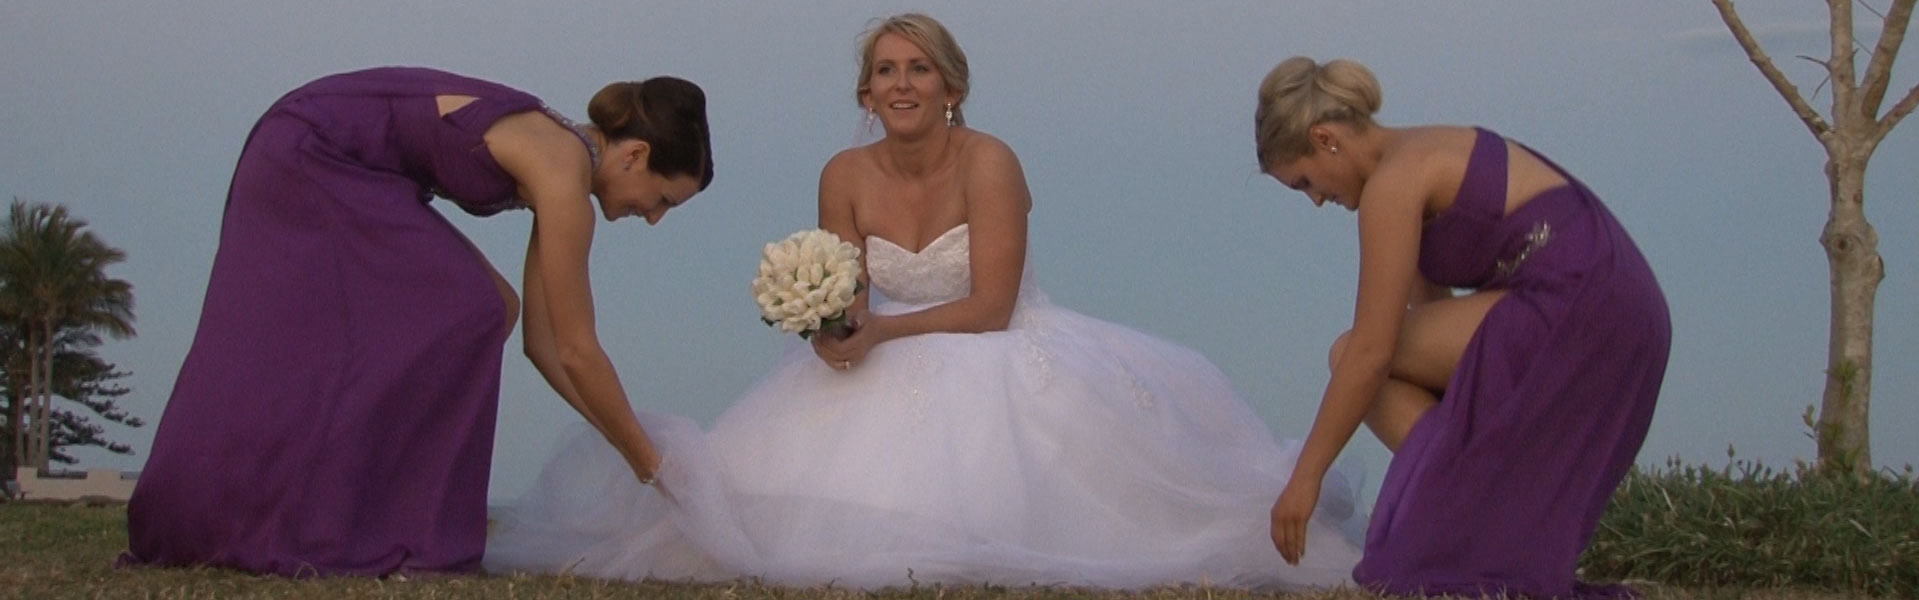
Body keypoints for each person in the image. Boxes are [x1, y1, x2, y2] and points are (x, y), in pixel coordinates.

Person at [486, 14, 1362, 590]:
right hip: (885, 345)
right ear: (865, 94)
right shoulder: (843, 173)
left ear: (953, 87)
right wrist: (831, 324)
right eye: (884, 72)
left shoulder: (991, 161)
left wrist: (881, 334)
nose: (901, 84)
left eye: (920, 69)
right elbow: (850, 292)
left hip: (1002, 347)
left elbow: (990, 305)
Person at [121, 66, 714, 577]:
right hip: (313, 152)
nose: (654, 219)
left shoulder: (560, 163)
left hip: (341, 159)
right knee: (472, 307)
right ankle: (389, 527)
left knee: (491, 306)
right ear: (635, 154)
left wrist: (633, 448)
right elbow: (579, 350)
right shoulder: (561, 171)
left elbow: (544, 344)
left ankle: (361, 507)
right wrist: (651, 465)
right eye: (663, 200)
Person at [1254, 56, 1670, 598]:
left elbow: (1373, 351)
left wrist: (1304, 479)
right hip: (1620, 304)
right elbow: (1438, 350)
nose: (1314, 200)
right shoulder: (1417, 156)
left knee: (1349, 353)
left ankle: (1469, 512)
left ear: (1325, 138)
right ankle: (1476, 513)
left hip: (1583, 300)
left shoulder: (1395, 182)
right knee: (1402, 385)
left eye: (1304, 180)